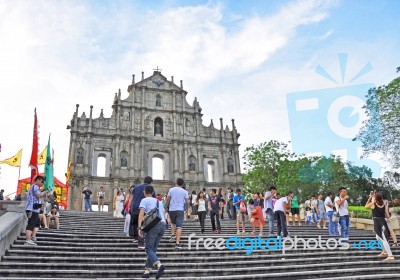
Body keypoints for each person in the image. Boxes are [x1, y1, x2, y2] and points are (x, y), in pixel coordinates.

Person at [138, 185, 167, 279]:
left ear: (144, 192)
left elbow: (141, 214)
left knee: (148, 249)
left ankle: (159, 265)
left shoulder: (144, 200)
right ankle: (147, 271)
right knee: (153, 249)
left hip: (154, 225)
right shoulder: (158, 201)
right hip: (163, 225)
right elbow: (163, 214)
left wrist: (140, 227)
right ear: (153, 192)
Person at [365, 192, 394, 261]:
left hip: (377, 222)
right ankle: (384, 251)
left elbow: (366, 206)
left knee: (383, 239)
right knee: (378, 237)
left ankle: (390, 255)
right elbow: (387, 214)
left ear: (375, 198)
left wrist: (369, 198)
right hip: (382, 221)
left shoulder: (373, 204)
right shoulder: (384, 204)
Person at [130, 176, 154, 249]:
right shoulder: (150, 188)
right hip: (143, 208)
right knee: (142, 223)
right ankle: (140, 241)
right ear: (150, 182)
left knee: (135, 222)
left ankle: (135, 237)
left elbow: (132, 197)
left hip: (134, 207)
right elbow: (153, 199)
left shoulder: (136, 187)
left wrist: (129, 207)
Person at [165, 178, 189, 249]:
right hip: (180, 210)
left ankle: (172, 234)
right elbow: (187, 202)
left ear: (176, 182)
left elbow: (168, 199)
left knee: (173, 223)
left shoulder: (171, 190)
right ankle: (177, 243)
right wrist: (187, 210)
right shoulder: (185, 191)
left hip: (172, 209)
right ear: (183, 184)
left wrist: (165, 207)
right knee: (179, 227)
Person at [25, 175, 48, 245]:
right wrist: (45, 192)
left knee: (37, 223)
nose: (42, 183)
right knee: (31, 224)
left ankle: (33, 237)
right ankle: (28, 240)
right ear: (38, 180)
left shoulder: (34, 187)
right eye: (42, 181)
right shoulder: (35, 186)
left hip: (35, 209)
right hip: (31, 209)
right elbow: (38, 195)